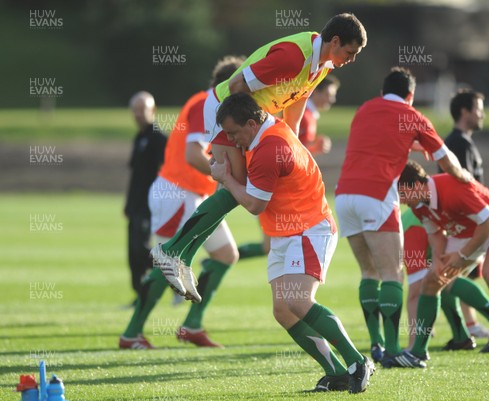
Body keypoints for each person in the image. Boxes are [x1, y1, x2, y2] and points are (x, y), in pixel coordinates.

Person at [152, 13, 368, 303]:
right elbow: (239, 85)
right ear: (336, 41)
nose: (352, 59)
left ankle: (181, 255)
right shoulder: (294, 56)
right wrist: (245, 131)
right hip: (228, 111)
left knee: (233, 188)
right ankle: (171, 252)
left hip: (251, 121)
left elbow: (298, 98)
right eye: (350, 52)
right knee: (236, 185)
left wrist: (291, 139)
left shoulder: (323, 64)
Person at [210, 93, 374, 393]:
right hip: (284, 232)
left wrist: (225, 178)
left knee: (298, 300)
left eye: (234, 133)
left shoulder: (269, 148)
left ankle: (357, 361)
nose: (233, 140)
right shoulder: (262, 132)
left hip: (309, 229)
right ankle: (335, 372)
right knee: (283, 311)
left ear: (250, 123)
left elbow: (254, 204)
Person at [333, 67, 472, 368]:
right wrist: (465, 179)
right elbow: (446, 159)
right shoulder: (413, 116)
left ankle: (376, 343)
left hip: (343, 195)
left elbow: (378, 143)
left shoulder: (365, 109)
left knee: (368, 273)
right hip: (377, 195)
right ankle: (395, 350)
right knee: (392, 274)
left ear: (384, 91)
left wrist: (411, 144)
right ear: (410, 96)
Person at [119, 57, 244, 350]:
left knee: (226, 254)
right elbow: (192, 154)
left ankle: (191, 326)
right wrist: (229, 180)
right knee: (168, 263)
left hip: (192, 195)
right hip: (175, 193)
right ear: (234, 85)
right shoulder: (205, 103)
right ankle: (131, 333)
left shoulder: (212, 104)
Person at [396, 160, 489, 366]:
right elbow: (436, 234)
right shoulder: (418, 204)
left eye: (401, 193)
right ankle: (418, 352)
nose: (401, 201)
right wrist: (437, 260)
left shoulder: (451, 189)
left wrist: (462, 255)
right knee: (432, 282)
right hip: (466, 230)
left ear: (416, 186)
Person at [237, 75, 341, 260]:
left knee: (270, 246)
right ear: (315, 92)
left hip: (272, 183)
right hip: (273, 186)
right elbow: (287, 151)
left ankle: (224, 257)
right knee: (270, 245)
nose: (332, 99)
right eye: (328, 94)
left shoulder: (309, 116)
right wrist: (314, 148)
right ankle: (222, 258)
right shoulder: (306, 117)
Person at [401, 208, 489, 353]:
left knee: (439, 281)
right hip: (464, 227)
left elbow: (414, 293)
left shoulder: (408, 234)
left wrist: (412, 342)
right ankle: (461, 337)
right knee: (440, 283)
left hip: (468, 229)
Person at [442, 89, 489, 339]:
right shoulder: (458, 142)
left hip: (469, 221)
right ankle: (480, 323)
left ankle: (468, 326)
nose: (482, 114)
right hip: (466, 222)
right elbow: (464, 188)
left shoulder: (462, 141)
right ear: (465, 112)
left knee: (464, 273)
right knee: (454, 274)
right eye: (478, 109)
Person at [124, 92, 167, 298]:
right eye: (135, 110)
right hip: (136, 205)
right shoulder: (139, 137)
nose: (138, 114)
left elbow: (165, 173)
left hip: (150, 205)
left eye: (142, 109)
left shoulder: (158, 139)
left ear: (153, 111)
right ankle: (140, 295)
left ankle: (170, 273)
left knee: (142, 249)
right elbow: (135, 175)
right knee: (132, 254)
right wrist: (128, 204)